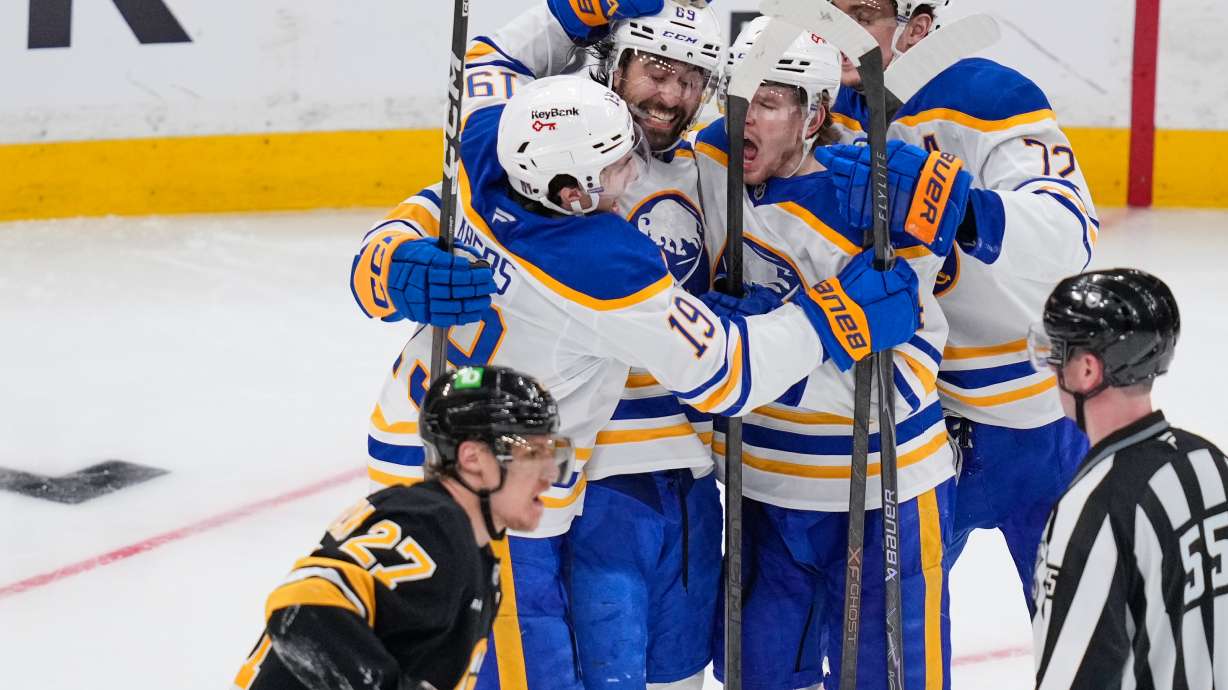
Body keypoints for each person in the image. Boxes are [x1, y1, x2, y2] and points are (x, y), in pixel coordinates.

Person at [349, 72, 925, 689]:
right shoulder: (600, 267)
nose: (634, 174)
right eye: (619, 164)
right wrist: (831, 318)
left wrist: (388, 257)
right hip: (493, 492)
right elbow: (725, 374)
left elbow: (429, 207)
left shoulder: (491, 146)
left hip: (419, 443)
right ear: (571, 192)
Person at [692, 18, 973, 689]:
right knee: (758, 673)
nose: (741, 117)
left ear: (814, 115)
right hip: (761, 489)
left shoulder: (872, 209)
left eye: (765, 102)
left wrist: (770, 353)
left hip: (886, 490)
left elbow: (904, 373)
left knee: (891, 675)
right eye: (735, 96)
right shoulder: (707, 161)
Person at [822, 0, 1100, 610]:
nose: (836, 29)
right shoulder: (814, 105)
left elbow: (1069, 229)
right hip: (910, 422)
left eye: (861, 14)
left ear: (917, 27)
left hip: (1033, 420)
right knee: (889, 631)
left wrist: (963, 208)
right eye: (828, 11)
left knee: (1081, 627)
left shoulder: (985, 95)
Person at [232, 366, 574, 690]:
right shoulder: (430, 526)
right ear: (473, 459)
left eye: (552, 455)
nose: (550, 476)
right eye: (532, 455)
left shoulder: (471, 549)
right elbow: (300, 609)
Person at [1029, 269, 1227, 688]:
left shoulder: (1093, 511)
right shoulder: (1213, 463)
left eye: (1056, 353)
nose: (1050, 368)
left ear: (1086, 370)